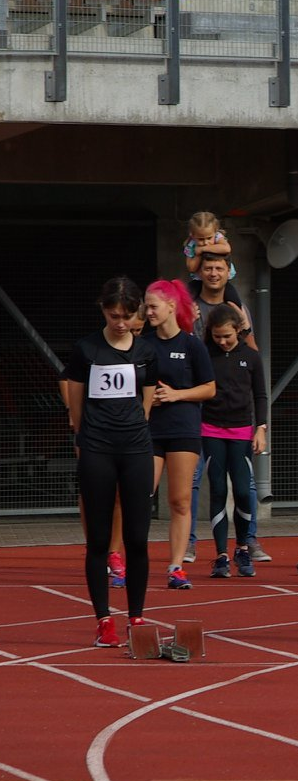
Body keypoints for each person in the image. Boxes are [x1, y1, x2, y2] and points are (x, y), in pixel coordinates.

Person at [65, 277, 158, 648]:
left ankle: (136, 615)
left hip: (136, 448)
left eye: (126, 315)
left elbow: (147, 397)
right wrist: (85, 437)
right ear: (103, 310)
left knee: (138, 537)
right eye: (113, 314)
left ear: (137, 313)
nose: (120, 322)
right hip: (97, 448)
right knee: (99, 540)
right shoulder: (86, 349)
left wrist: (136, 428)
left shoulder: (147, 351)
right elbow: (75, 401)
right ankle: (103, 619)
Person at [142, 280, 214, 590]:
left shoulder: (192, 344)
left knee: (181, 500)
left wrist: (177, 395)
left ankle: (176, 566)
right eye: (146, 307)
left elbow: (210, 388)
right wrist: (149, 400)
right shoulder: (144, 344)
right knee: (141, 494)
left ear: (171, 307)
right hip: (150, 430)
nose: (148, 312)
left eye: (153, 306)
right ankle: (130, 561)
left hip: (184, 428)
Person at [202, 305, 268, 579]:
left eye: (227, 336)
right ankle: (220, 555)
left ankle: (242, 547)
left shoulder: (251, 357)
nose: (222, 341)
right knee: (217, 488)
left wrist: (261, 429)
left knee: (242, 490)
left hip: (242, 430)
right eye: (217, 336)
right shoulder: (204, 354)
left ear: (238, 331)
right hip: (211, 428)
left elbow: (261, 395)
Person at [182, 211, 243, 308]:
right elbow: (191, 267)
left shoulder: (218, 237)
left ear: (215, 232)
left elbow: (226, 249)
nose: (206, 242)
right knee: (185, 300)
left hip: (222, 282)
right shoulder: (191, 245)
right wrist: (197, 255)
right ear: (192, 235)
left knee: (235, 301)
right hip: (199, 281)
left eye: (209, 238)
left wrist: (202, 249)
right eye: (201, 239)